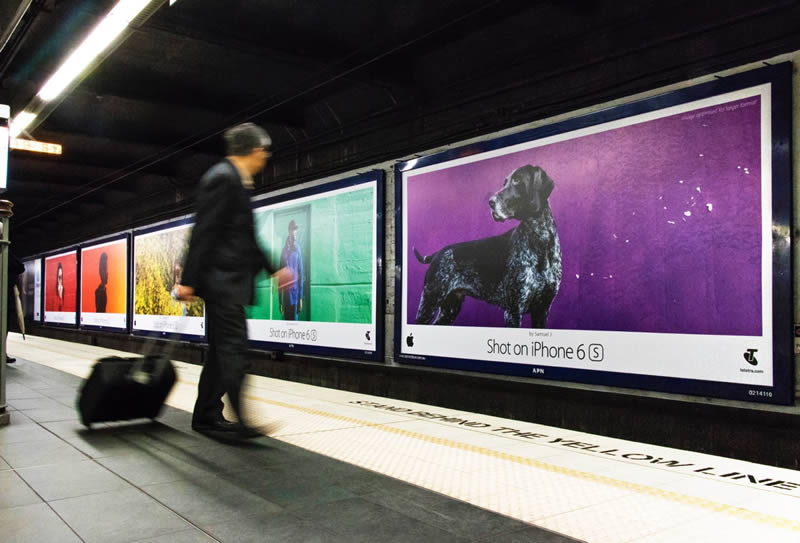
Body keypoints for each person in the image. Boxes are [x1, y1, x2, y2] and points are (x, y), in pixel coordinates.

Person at [175, 122, 292, 439]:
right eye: (264, 152)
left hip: (226, 283)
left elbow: (244, 238)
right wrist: (188, 281)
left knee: (220, 353)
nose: (265, 158)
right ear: (255, 150)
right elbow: (204, 232)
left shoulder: (233, 181)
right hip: (221, 284)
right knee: (234, 350)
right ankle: (242, 419)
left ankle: (206, 415)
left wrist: (274, 269)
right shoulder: (223, 179)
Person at [279, 220, 303, 320]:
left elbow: (301, 273)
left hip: (295, 295)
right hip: (285, 296)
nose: (295, 232)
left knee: (294, 324)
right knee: (285, 323)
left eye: (296, 230)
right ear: (289, 231)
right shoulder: (283, 251)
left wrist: (300, 298)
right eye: (293, 229)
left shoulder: (297, 249)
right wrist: (280, 301)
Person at [6, 251, 24, 364]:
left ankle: (3, 353)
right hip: (6, 296)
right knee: (4, 326)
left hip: (7, 296)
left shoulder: (7, 254)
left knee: (5, 326)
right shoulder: (7, 254)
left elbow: (20, 267)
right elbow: (20, 266)